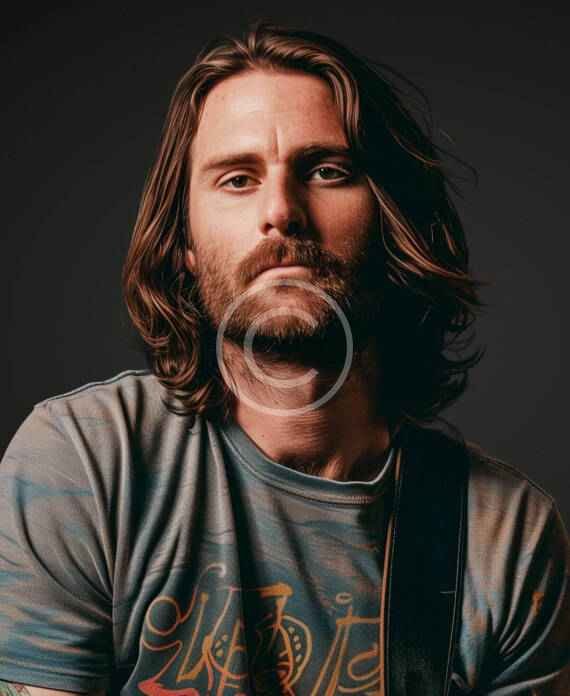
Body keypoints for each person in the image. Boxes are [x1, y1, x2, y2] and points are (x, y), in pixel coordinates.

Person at [0, 20, 568, 696]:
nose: (281, 211)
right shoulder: (84, 465)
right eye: (237, 179)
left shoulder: (507, 538)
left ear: (395, 222)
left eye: (327, 171)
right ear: (185, 244)